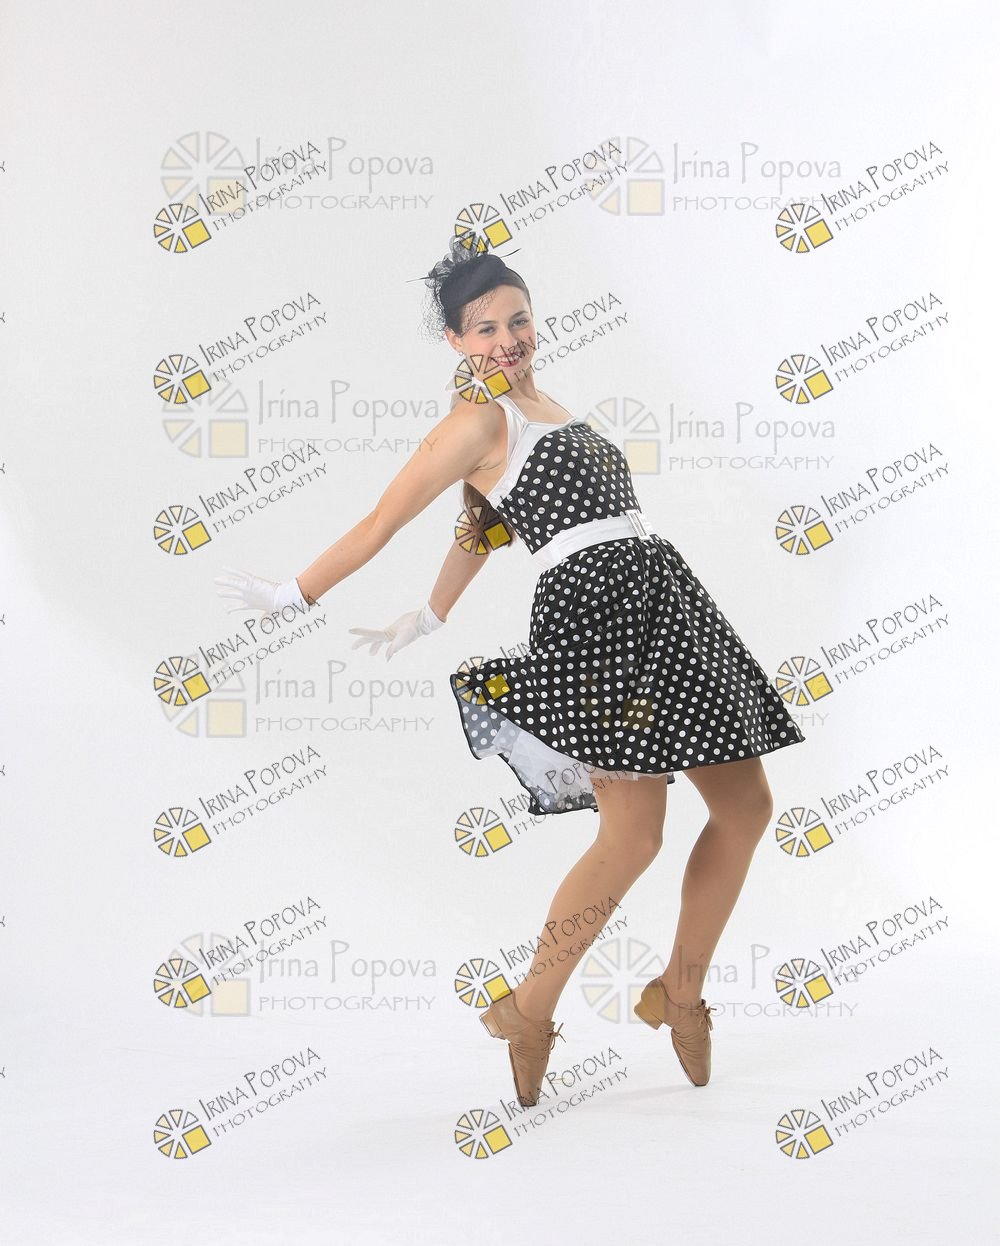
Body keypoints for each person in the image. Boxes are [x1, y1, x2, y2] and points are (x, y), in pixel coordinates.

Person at [214, 236, 806, 1110]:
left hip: (664, 601)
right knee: (633, 837)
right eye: (485, 328)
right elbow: (381, 520)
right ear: (454, 340)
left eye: (518, 320)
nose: (507, 339)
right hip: (596, 621)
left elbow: (482, 528)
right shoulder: (475, 424)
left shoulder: (544, 405)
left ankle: (679, 992)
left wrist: (432, 612)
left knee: (747, 806)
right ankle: (529, 1012)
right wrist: (290, 595)